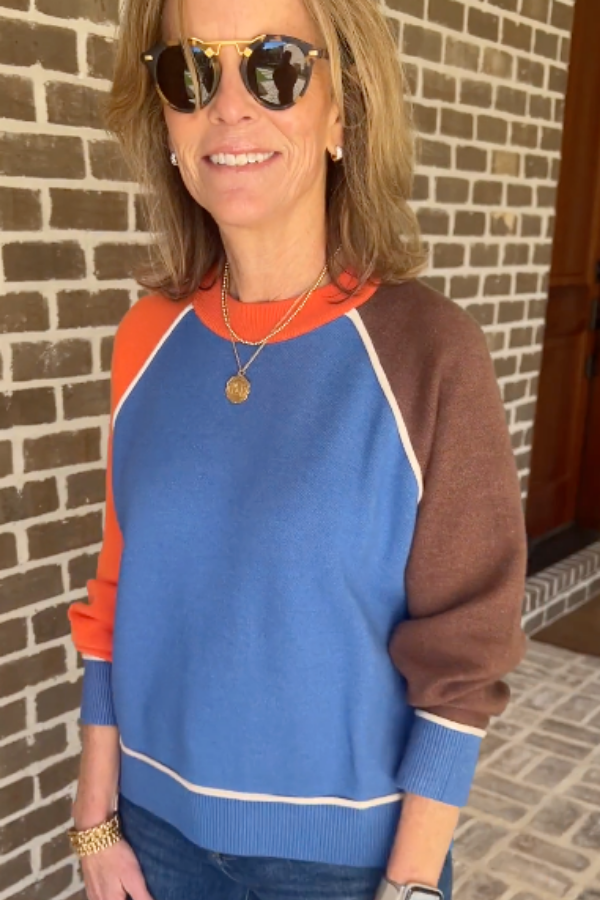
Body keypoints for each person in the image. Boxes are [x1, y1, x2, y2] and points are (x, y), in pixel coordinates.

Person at [66, 0, 527, 897]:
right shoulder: (145, 339)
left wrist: (410, 882)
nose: (229, 105)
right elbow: (120, 585)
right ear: (166, 121)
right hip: (152, 835)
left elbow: (466, 651)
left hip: (346, 864)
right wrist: (96, 813)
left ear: (342, 111)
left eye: (274, 65)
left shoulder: (429, 352)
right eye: (191, 72)